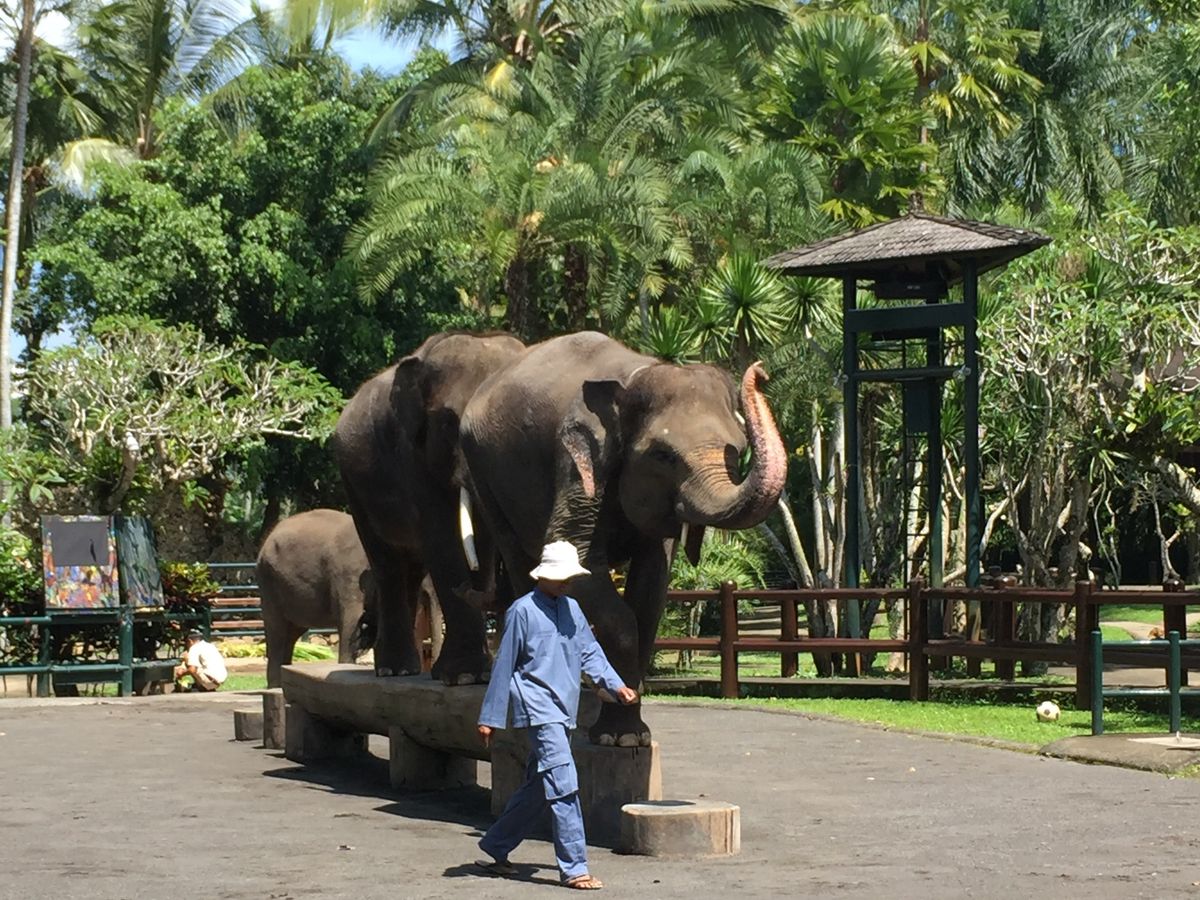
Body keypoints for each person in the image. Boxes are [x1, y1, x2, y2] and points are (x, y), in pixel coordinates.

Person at [475, 541, 637, 891]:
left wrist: (616, 685)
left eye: (569, 576)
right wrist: (489, 717)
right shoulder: (521, 611)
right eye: (561, 576)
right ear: (543, 575)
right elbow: (504, 664)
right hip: (537, 708)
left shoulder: (572, 609)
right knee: (564, 783)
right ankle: (575, 867)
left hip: (565, 709)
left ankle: (496, 844)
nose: (566, 582)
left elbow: (589, 652)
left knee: (539, 787)